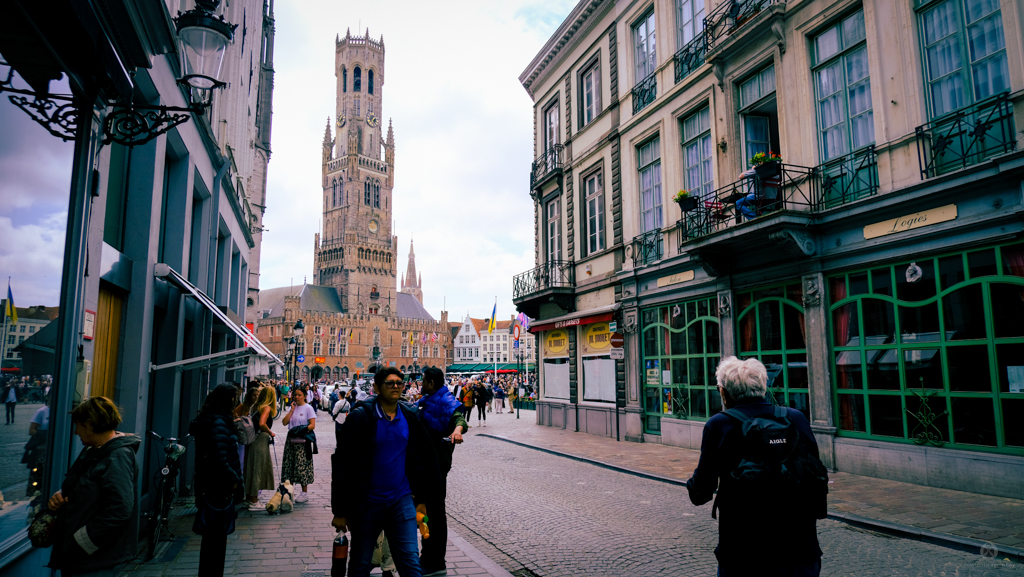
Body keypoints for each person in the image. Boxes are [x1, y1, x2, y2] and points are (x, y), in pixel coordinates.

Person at [685, 357, 825, 577]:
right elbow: (816, 472)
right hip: (800, 547)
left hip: (744, 552)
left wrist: (694, 484)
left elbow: (700, 492)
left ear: (724, 392)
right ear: (763, 386)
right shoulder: (796, 418)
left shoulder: (720, 424)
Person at [331, 367, 442, 577]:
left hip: (401, 500)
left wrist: (422, 500)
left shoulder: (409, 416)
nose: (396, 386)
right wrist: (340, 511)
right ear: (376, 387)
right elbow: (342, 464)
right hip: (368, 502)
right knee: (360, 564)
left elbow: (422, 459)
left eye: (399, 383)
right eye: (390, 383)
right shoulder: (360, 418)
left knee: (410, 563)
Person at [47, 397, 140, 577]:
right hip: (82, 557)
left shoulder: (117, 457)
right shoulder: (95, 450)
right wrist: (62, 495)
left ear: (89, 425)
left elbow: (119, 510)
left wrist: (80, 541)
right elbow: (86, 486)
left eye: (78, 425)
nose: (75, 432)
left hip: (94, 560)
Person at [415, 367, 466, 575]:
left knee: (435, 514)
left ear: (432, 383)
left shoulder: (446, 401)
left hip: (435, 467)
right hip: (422, 466)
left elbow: (459, 419)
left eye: (424, 381)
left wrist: (457, 431)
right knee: (422, 512)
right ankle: (426, 553)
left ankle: (436, 560)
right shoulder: (426, 401)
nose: (421, 384)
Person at [190, 384, 244, 577]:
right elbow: (219, 459)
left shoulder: (211, 418)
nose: (237, 401)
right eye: (235, 397)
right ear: (227, 400)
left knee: (211, 542)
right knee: (216, 541)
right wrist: (235, 479)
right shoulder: (218, 422)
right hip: (218, 487)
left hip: (210, 484)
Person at [244, 386, 278, 510]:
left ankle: (248, 498)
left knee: (251, 468)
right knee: (257, 468)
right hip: (260, 441)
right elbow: (262, 423)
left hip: (252, 441)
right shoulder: (267, 407)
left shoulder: (255, 406)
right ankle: (254, 501)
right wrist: (270, 432)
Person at [281, 387, 316, 502]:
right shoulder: (293, 408)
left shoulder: (308, 408)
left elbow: (312, 425)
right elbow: (284, 422)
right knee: (289, 465)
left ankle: (304, 493)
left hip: (302, 440)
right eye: (295, 395)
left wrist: (301, 429)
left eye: (299, 395)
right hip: (290, 439)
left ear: (305, 396)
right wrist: (291, 410)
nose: (296, 397)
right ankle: (290, 491)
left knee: (301, 466)